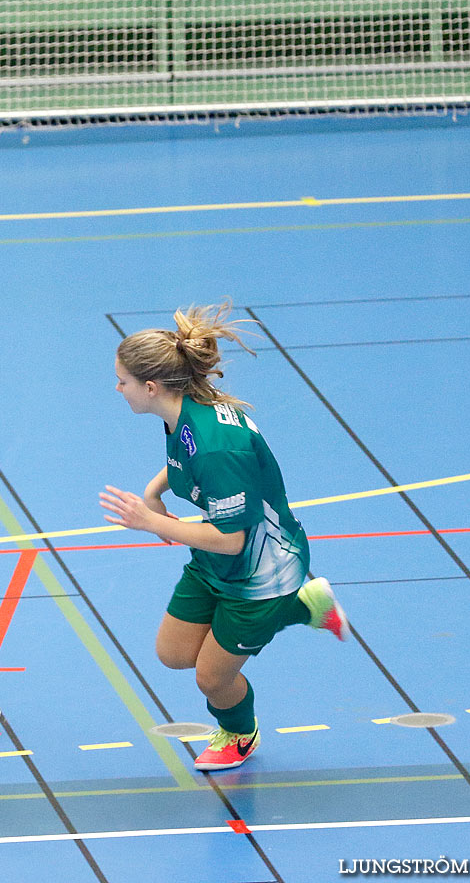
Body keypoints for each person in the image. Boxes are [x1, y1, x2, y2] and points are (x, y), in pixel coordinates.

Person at [98, 303, 347, 771]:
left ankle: (239, 732)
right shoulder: (183, 412)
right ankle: (309, 605)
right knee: (173, 654)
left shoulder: (216, 444)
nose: (117, 388)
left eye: (122, 381)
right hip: (215, 562)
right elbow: (186, 464)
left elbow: (232, 538)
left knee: (212, 679)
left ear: (150, 387)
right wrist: (155, 491)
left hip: (261, 573)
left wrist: (151, 521)